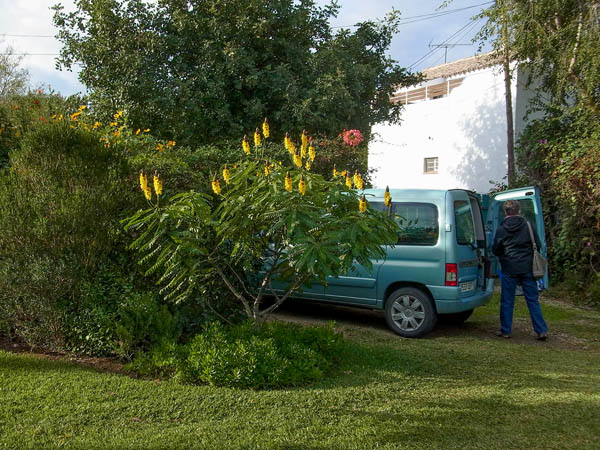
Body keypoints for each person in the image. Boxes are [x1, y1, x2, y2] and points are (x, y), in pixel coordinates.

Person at [492, 200, 548, 340]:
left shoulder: (502, 229)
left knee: (507, 300)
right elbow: (538, 245)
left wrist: (505, 256)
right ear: (519, 210)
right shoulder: (527, 226)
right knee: (532, 300)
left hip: (509, 267)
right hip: (528, 267)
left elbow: (496, 249)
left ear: (505, 212)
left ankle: (506, 330)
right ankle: (541, 330)